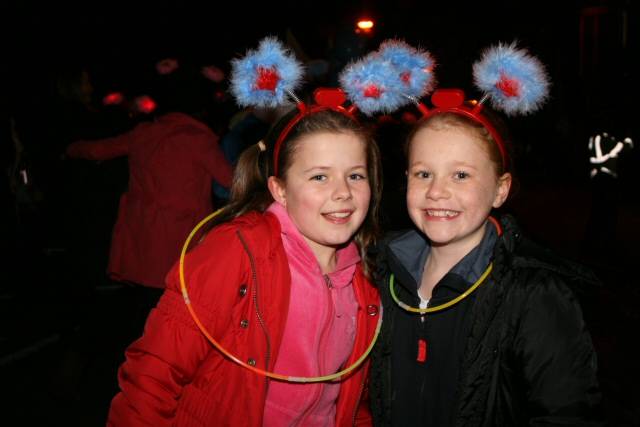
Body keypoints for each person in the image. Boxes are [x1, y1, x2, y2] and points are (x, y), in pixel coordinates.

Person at [106, 102, 384, 425]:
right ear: (280, 190)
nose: (343, 192)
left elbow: (355, 402)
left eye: (355, 175)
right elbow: (152, 376)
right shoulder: (236, 253)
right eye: (319, 176)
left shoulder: (365, 282)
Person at [368, 103, 602, 425]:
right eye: (424, 174)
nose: (436, 191)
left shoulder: (534, 295)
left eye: (461, 175)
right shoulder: (380, 272)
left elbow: (567, 413)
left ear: (500, 190)